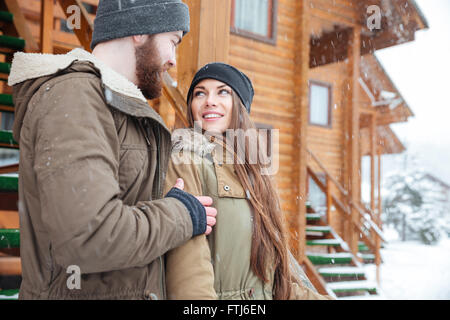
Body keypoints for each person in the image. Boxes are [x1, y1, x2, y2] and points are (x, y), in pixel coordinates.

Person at [7, 0, 216, 300]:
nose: (173, 59)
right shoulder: (75, 97)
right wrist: (181, 214)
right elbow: (90, 237)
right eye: (172, 42)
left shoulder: (117, 106)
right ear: (140, 30)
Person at [163, 63, 333, 300]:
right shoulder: (186, 161)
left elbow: (276, 284)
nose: (209, 100)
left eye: (223, 91)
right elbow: (187, 265)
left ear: (240, 106)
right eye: (200, 93)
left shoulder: (253, 172)